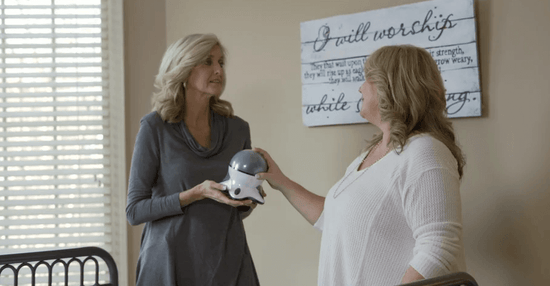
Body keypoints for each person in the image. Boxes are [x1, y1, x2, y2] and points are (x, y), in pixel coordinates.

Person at [254, 45, 466, 285]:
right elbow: (331, 218)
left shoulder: (426, 152)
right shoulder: (368, 156)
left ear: (391, 87)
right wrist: (281, 181)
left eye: (367, 79)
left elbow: (439, 247)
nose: (360, 87)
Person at [126, 33, 262, 286]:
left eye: (221, 63)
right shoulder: (155, 127)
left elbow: (231, 209)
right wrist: (195, 193)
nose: (218, 70)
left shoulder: (238, 129)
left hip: (227, 258)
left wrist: (247, 199)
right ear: (184, 69)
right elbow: (134, 211)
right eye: (207, 62)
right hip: (169, 260)